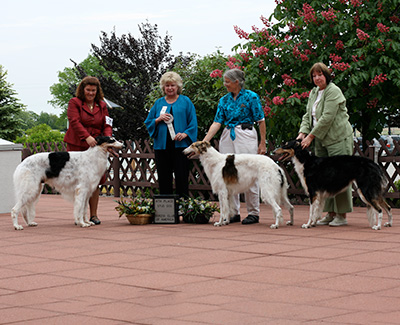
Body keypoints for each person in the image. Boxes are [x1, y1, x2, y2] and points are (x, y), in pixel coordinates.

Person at [203, 68, 266, 225]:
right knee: (228, 174)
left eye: (227, 82)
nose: (225, 84)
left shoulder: (251, 97)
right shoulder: (224, 100)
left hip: (246, 134)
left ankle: (253, 212)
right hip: (227, 135)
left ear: (237, 82)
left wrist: (262, 142)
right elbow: (217, 122)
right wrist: (206, 140)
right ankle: (233, 212)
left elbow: (261, 120)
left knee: (249, 170)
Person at [297, 62, 354, 226]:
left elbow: (327, 118)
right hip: (321, 140)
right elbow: (308, 116)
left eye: (319, 74)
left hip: (338, 138)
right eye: (314, 76)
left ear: (326, 75)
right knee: (323, 177)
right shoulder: (314, 92)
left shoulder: (334, 91)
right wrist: (302, 133)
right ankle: (330, 213)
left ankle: (341, 215)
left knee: (340, 176)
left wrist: (310, 137)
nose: (317, 78)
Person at [64, 76, 113, 225]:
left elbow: (107, 124)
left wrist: (108, 139)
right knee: (79, 181)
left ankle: (94, 215)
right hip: (78, 145)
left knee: (95, 181)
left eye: (93, 90)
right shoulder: (75, 103)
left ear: (97, 91)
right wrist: (87, 137)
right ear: (82, 90)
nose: (91, 93)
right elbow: (74, 121)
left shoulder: (102, 105)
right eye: (88, 90)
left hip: (97, 147)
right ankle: (80, 215)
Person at [144, 71, 197, 197]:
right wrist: (158, 119)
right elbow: (148, 122)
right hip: (162, 147)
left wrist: (185, 134)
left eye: (172, 85)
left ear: (178, 86)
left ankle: (183, 209)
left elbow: (193, 123)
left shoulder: (186, 101)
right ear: (163, 87)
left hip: (181, 146)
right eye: (167, 85)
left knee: (182, 178)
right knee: (163, 179)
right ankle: (166, 213)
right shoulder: (158, 103)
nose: (170, 88)